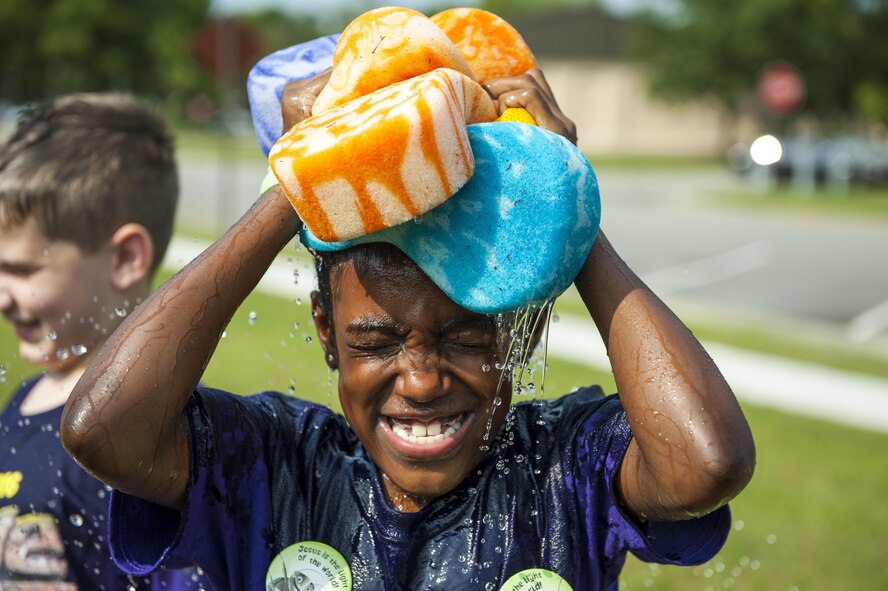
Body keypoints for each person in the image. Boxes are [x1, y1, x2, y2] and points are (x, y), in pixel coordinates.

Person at [61, 70, 756, 591]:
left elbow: (705, 462)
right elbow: (102, 427)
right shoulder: (274, 467)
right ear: (326, 331)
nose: (421, 379)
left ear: (524, 328)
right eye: (376, 341)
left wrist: (560, 199)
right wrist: (303, 176)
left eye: (466, 338)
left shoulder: (563, 468)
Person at [0, 93, 211, 589]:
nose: (2, 296)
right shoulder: (21, 402)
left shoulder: (147, 437)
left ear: (124, 259)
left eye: (24, 270)